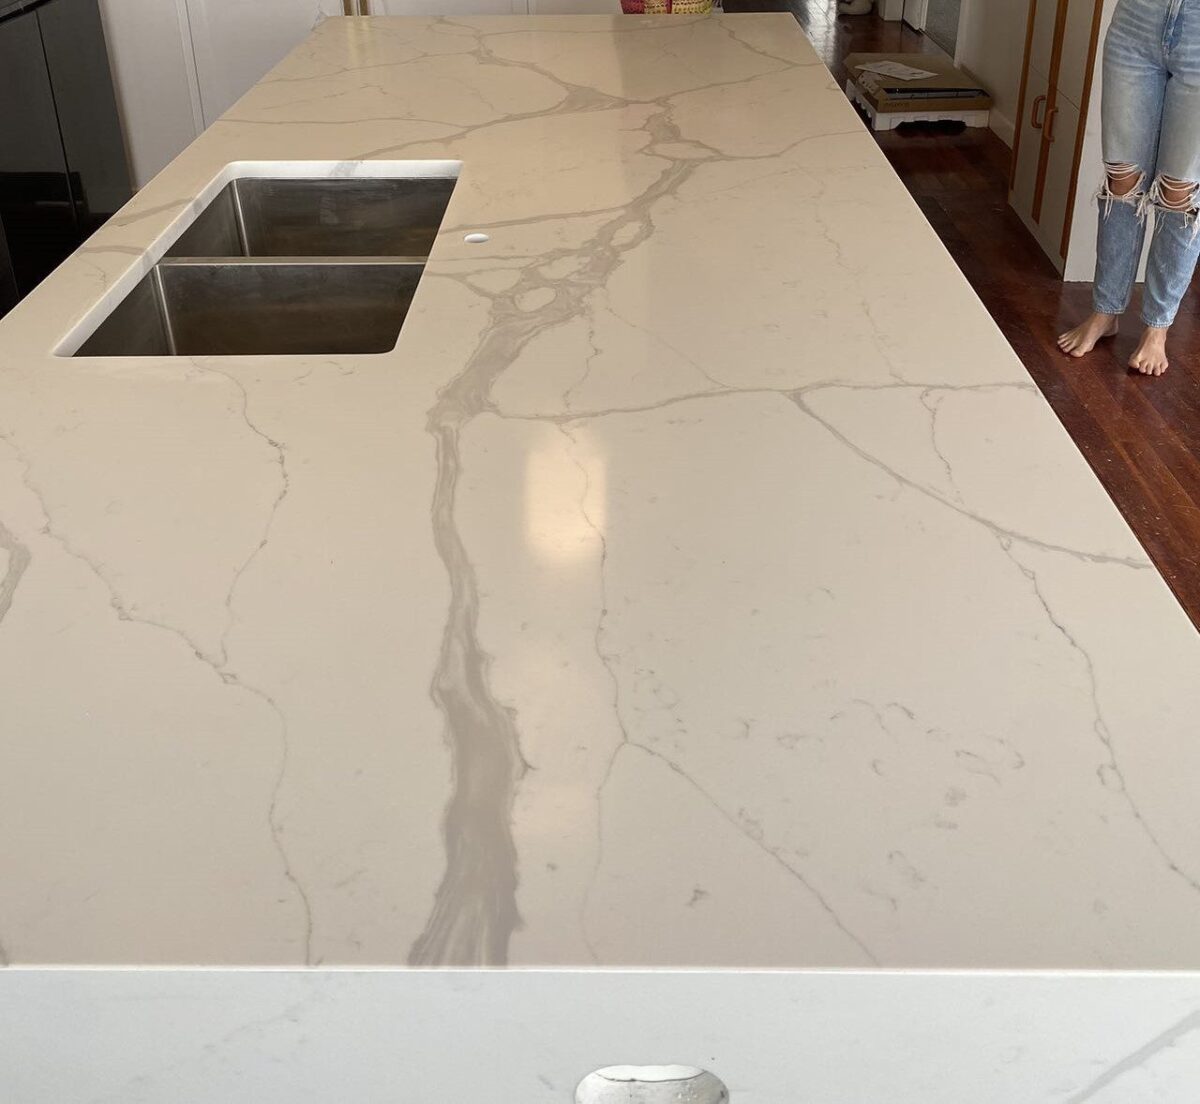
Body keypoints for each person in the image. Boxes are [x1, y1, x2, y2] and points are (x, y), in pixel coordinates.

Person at [1058, 0, 1200, 376]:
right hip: (1138, 17)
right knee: (1122, 178)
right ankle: (1105, 312)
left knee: (1179, 192)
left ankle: (1157, 328)